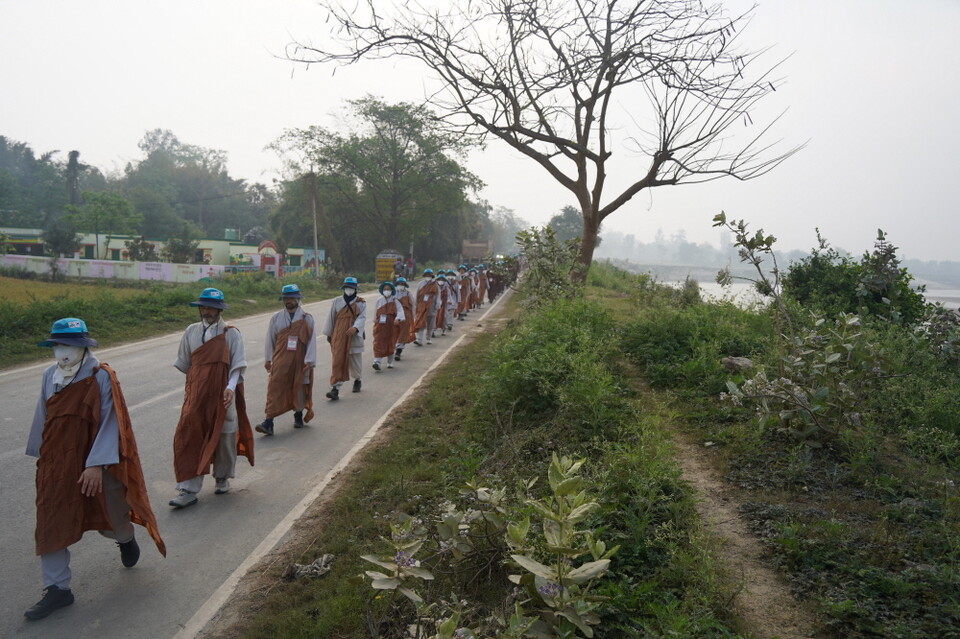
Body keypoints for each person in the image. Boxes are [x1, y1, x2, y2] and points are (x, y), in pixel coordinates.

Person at [24, 318, 166, 621]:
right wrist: (41, 455)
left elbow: (110, 421)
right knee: (51, 519)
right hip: (57, 461)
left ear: (83, 347)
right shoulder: (50, 375)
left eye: (70, 345)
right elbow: (44, 415)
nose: (63, 350)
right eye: (58, 344)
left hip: (95, 460)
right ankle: (57, 588)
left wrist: (95, 465)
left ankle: (125, 538)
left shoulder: (101, 376)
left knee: (111, 511)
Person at [169, 288, 255, 509]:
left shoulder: (231, 333)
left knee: (225, 435)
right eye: (203, 307)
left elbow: (237, 365)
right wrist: (199, 383)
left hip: (223, 393)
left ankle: (222, 476)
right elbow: (186, 364)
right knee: (189, 434)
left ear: (219, 309)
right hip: (197, 394)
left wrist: (229, 387)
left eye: (211, 308)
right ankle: (187, 488)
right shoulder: (191, 331)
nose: (206, 311)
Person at [256, 284, 316, 436]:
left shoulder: (307, 318)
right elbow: (270, 340)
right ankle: (268, 421)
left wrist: (309, 360)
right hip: (281, 359)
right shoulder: (276, 318)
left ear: (298, 299)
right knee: (274, 387)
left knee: (299, 387)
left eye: (291, 298)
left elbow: (312, 341)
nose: (288, 301)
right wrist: (268, 359)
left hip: (300, 360)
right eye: (286, 298)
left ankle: (298, 415)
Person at [321, 276, 366, 399]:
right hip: (339, 335)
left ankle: (357, 380)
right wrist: (329, 333)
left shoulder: (360, 303)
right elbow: (331, 317)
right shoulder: (336, 301)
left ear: (356, 289)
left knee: (355, 360)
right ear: (344, 288)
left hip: (354, 336)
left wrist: (355, 327)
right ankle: (335, 388)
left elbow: (362, 317)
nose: (349, 290)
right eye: (347, 287)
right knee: (338, 361)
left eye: (351, 288)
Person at [372, 280, 405, 370]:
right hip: (380, 325)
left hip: (392, 325)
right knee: (378, 342)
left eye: (389, 289)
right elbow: (375, 312)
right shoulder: (379, 300)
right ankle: (377, 362)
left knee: (391, 342)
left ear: (392, 290)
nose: (387, 290)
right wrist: (375, 322)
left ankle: (390, 361)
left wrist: (398, 318)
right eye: (385, 289)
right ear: (382, 290)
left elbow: (400, 311)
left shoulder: (395, 301)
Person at [413, 268, 441, 346]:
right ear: (424, 276)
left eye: (429, 275)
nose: (428, 276)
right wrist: (415, 304)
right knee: (420, 323)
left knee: (430, 324)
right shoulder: (420, 284)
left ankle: (428, 338)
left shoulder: (435, 285)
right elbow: (416, 294)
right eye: (426, 275)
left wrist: (437, 304)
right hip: (421, 307)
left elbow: (438, 295)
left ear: (432, 276)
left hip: (431, 307)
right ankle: (419, 340)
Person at [394, 276, 413, 361]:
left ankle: (398, 351)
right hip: (394, 315)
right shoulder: (393, 293)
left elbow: (413, 305)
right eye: (399, 284)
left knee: (403, 333)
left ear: (405, 285)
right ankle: (393, 348)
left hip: (406, 316)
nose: (400, 285)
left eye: (402, 284)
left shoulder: (408, 294)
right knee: (394, 333)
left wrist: (413, 316)